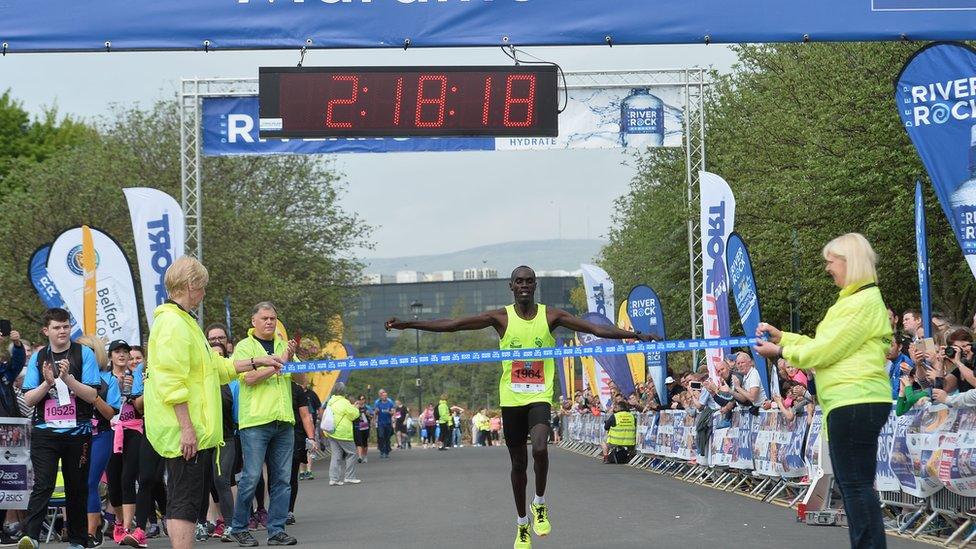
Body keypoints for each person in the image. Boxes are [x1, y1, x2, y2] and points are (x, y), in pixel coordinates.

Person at [385, 265, 656, 549]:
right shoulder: (500, 318)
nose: (524, 285)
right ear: (511, 286)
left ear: (535, 285)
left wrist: (634, 336)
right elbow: (454, 324)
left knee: (540, 448)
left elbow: (595, 328)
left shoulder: (551, 316)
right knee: (518, 465)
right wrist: (408, 323)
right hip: (511, 399)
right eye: (519, 281)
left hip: (539, 397)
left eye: (529, 281)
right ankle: (522, 523)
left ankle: (539, 503)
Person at [755, 233, 892, 549]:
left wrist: (780, 351)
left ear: (849, 261)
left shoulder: (861, 302)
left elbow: (824, 351)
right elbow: (824, 346)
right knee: (854, 484)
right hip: (854, 400)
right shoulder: (856, 301)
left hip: (854, 400)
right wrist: (784, 338)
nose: (828, 267)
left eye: (831, 260)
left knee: (855, 485)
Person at [143, 257, 284, 549]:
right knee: (184, 501)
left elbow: (216, 367)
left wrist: (256, 360)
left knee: (188, 501)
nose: (205, 293)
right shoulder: (172, 324)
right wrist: (186, 427)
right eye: (203, 288)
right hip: (184, 430)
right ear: (191, 286)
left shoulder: (185, 321)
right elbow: (171, 381)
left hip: (196, 430)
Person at [19, 308, 101, 549]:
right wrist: (47, 383)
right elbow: (30, 399)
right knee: (43, 483)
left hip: (78, 433)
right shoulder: (38, 357)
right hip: (46, 433)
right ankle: (31, 536)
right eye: (57, 327)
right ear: (46, 330)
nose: (62, 331)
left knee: (77, 485)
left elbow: (92, 394)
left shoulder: (83, 353)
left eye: (65, 326)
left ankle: (77, 539)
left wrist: (69, 379)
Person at [228, 302, 300, 547]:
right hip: (256, 422)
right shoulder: (244, 347)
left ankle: (276, 530)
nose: (270, 322)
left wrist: (292, 358)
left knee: (282, 479)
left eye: (273, 318)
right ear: (254, 321)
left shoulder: (283, 344)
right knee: (251, 477)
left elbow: (301, 379)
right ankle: (239, 526)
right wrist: (276, 365)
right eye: (265, 318)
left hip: (284, 420)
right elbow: (248, 378)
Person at [74, 335, 122, 548]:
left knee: (90, 482)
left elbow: (111, 413)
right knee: (76, 483)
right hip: (75, 435)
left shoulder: (108, 379)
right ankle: (82, 526)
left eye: (85, 351)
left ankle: (91, 532)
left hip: (101, 434)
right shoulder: (71, 377)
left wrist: (93, 396)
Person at [287, 379, 317, 526]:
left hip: (295, 435)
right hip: (274, 435)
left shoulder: (297, 390)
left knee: (292, 474)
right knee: (274, 476)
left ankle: (289, 511)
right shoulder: (268, 386)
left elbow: (306, 416)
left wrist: (311, 438)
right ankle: (271, 510)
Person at [323, 382, 361, 486]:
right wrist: (356, 408)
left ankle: (334, 479)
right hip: (343, 432)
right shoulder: (344, 402)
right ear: (344, 391)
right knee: (352, 453)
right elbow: (354, 415)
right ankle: (349, 477)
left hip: (331, 431)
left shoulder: (331, 401)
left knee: (336, 455)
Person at [373, 389, 395, 458]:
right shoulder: (378, 403)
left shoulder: (390, 403)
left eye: (386, 396)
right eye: (383, 396)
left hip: (388, 423)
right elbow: (375, 413)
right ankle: (382, 451)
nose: (385, 397)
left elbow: (393, 412)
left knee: (387, 438)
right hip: (380, 423)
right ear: (381, 396)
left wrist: (389, 412)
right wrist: (374, 420)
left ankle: (387, 452)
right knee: (381, 437)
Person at [353, 395, 372, 462]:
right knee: (358, 442)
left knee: (365, 442)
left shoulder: (367, 407)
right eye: (360, 399)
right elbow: (351, 414)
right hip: (357, 426)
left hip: (365, 426)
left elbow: (371, 416)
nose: (361, 401)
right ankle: (360, 457)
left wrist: (368, 414)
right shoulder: (355, 407)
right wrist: (355, 406)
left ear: (365, 400)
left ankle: (365, 456)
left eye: (363, 399)